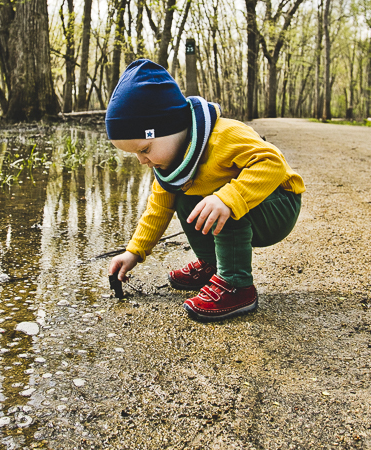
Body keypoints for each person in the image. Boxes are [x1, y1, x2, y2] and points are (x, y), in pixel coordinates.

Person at [106, 59, 305, 322]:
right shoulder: (172, 165)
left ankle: (237, 285)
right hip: (245, 206)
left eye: (144, 149)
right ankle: (214, 265)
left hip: (278, 203)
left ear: (170, 127)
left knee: (220, 199)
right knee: (185, 200)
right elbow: (158, 209)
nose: (143, 160)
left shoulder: (224, 135)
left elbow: (273, 163)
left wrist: (228, 198)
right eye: (136, 155)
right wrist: (134, 251)